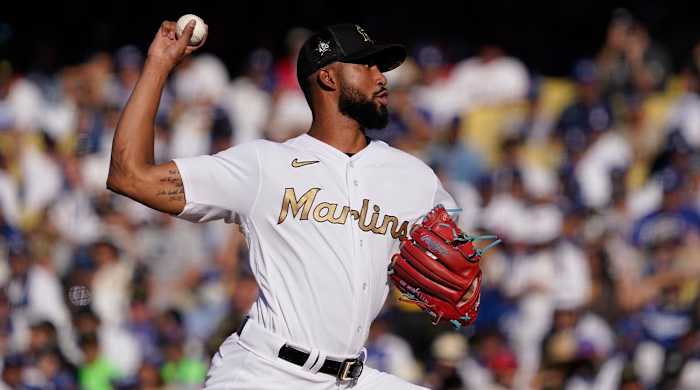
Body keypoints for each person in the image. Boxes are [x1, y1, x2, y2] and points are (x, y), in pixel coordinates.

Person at [106, 20, 457, 389]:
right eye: (365, 65)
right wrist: (159, 64)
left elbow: (463, 253)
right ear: (328, 78)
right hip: (264, 372)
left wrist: (465, 275)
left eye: (380, 67)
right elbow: (129, 176)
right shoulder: (264, 165)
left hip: (351, 377)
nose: (381, 77)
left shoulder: (412, 177)